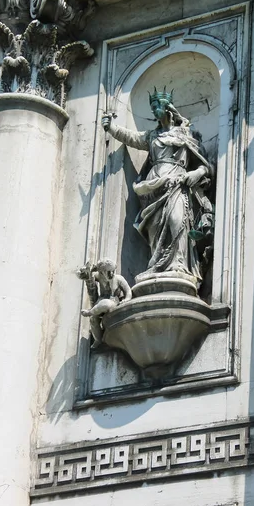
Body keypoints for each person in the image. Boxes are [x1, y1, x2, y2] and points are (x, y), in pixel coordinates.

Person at [101, 88, 213, 282]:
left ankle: (179, 263)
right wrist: (111, 128)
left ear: (167, 108)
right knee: (156, 227)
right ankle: (157, 265)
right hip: (153, 186)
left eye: (156, 106)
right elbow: (131, 137)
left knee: (177, 220)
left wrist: (197, 172)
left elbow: (207, 165)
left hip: (177, 184)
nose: (153, 111)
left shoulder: (186, 134)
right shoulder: (152, 136)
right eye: (152, 107)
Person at [76, 258, 132, 348]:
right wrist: (84, 274)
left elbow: (128, 290)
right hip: (99, 303)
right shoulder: (99, 276)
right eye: (108, 272)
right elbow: (88, 277)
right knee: (93, 320)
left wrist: (127, 299)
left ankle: (90, 312)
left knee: (106, 304)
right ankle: (98, 339)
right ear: (102, 272)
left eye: (113, 271)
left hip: (114, 302)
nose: (112, 273)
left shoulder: (118, 279)